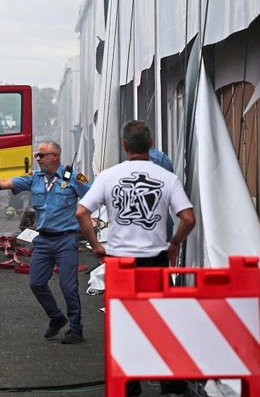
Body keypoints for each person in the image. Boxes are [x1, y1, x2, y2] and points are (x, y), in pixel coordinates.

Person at [75, 120, 196, 396]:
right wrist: (174, 242)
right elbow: (188, 218)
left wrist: (96, 245)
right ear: (151, 144)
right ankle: (170, 382)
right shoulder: (167, 178)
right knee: (162, 320)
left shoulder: (108, 176)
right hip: (155, 260)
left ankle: (129, 385)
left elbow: (82, 212)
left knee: (123, 323)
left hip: (120, 263)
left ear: (124, 145)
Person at [0, 141, 91, 345]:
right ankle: (56, 317)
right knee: (36, 283)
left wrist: (90, 222)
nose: (37, 159)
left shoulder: (73, 178)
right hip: (44, 240)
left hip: (66, 240)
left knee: (68, 287)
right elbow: (7, 183)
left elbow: (91, 198)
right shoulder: (35, 179)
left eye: (42, 155)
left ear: (55, 156)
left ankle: (76, 328)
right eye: (37, 155)